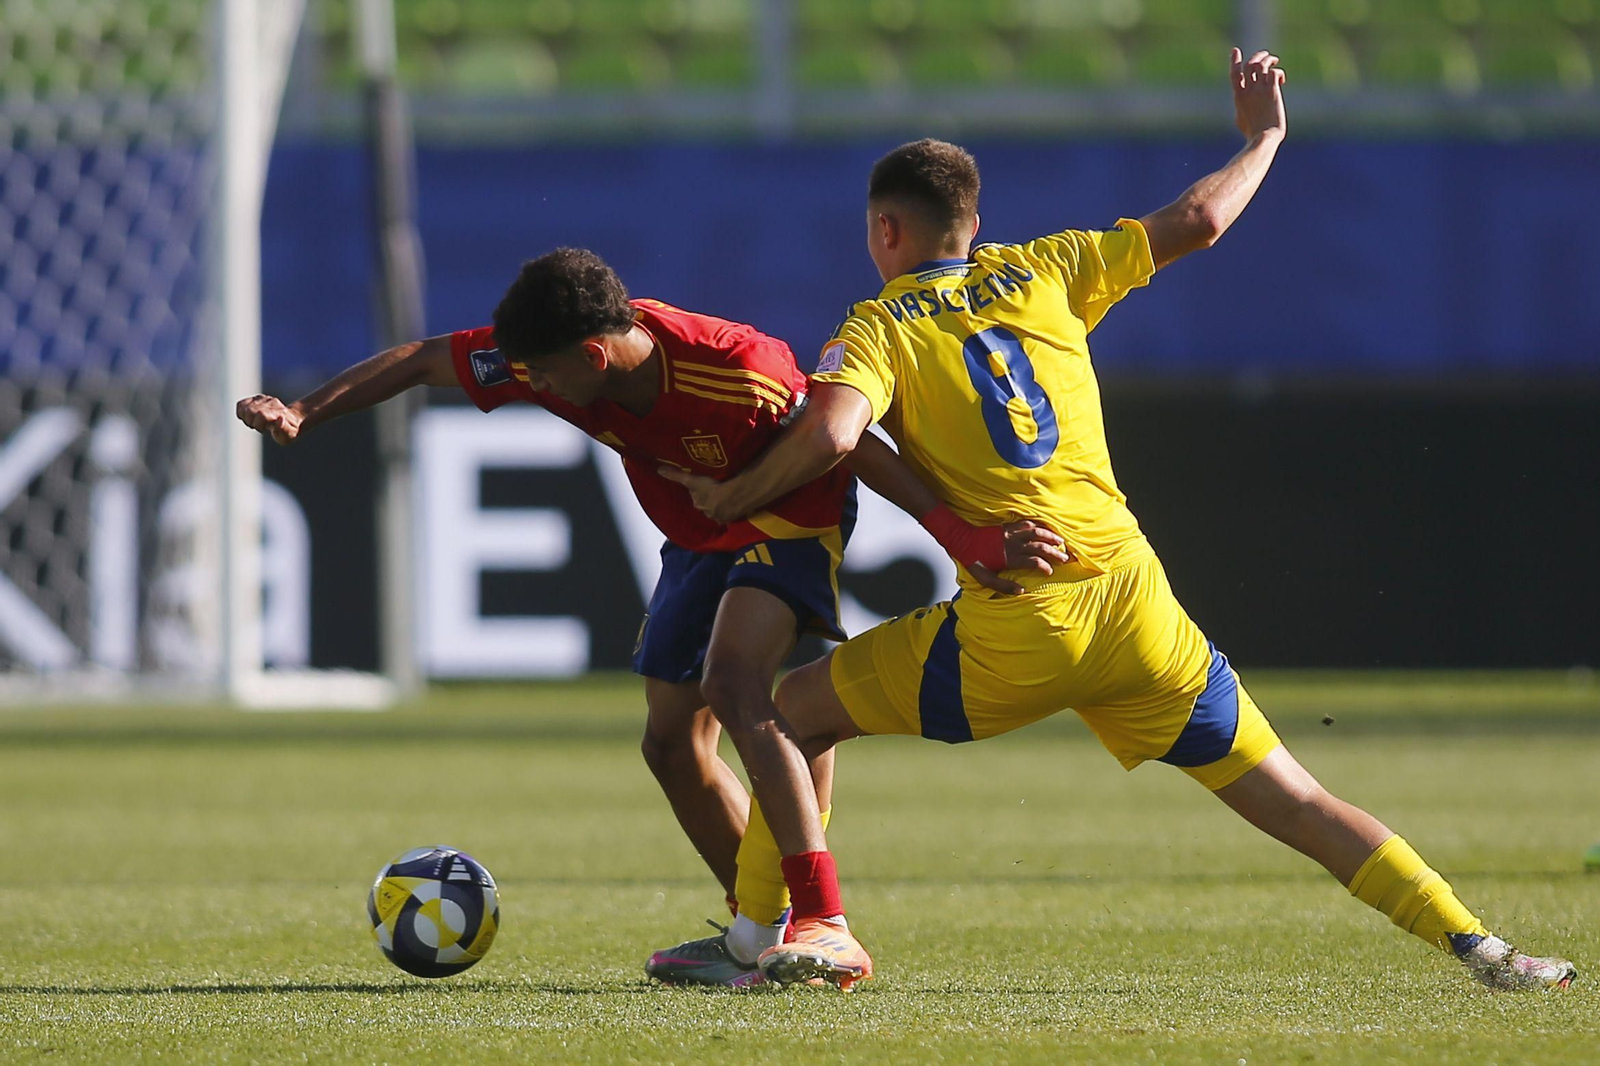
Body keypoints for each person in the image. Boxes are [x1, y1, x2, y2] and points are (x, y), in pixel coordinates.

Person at [660, 50, 1576, 992]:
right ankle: (1485, 949)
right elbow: (1202, 219)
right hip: (1138, 610)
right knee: (1301, 801)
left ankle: (775, 934)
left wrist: (734, 497)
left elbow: (833, 432)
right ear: (974, 225)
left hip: (1019, 622)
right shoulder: (1046, 268)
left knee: (787, 714)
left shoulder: (879, 327)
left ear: (884, 230)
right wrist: (1265, 136)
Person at [236, 248, 1065, 990]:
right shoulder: (545, 356)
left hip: (790, 517)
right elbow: (424, 361)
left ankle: (824, 921)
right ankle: (756, 934)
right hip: (699, 534)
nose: (535, 389)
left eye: (545, 377)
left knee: (735, 684)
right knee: (671, 744)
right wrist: (306, 410)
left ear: (594, 356)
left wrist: (958, 533)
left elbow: (840, 436)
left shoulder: (738, 368)